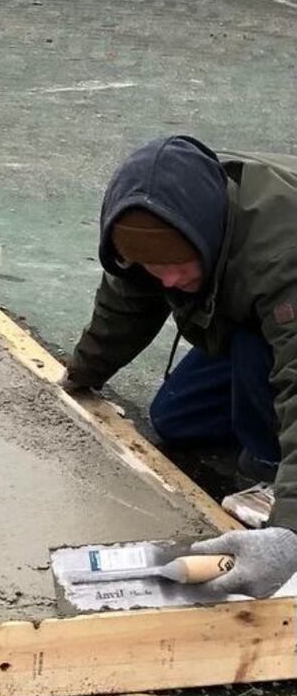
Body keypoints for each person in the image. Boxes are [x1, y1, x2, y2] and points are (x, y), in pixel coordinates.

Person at [62, 135, 297, 600]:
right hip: (264, 314)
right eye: (154, 267)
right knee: (177, 418)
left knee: (263, 348)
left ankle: (271, 473)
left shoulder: (281, 257)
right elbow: (124, 305)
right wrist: (80, 375)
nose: (167, 280)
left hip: (281, 309)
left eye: (177, 264)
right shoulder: (176, 217)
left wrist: (291, 530)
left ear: (204, 236)